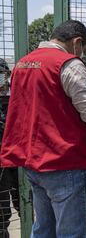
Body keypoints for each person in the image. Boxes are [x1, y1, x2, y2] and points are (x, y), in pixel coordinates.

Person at [0, 20, 86, 238]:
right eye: (83, 51)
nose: (82, 56)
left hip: (34, 162)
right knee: (72, 232)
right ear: (77, 42)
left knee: (44, 229)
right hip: (67, 162)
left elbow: (45, 103)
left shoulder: (22, 65)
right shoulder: (70, 64)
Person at [0, 59, 19, 238]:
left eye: (3, 75)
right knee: (2, 212)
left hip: (17, 160)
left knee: (26, 204)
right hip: (2, 166)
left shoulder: (13, 96)